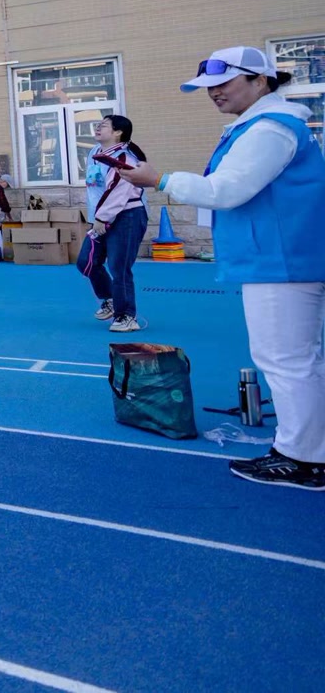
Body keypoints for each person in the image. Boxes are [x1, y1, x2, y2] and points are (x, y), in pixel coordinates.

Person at [121, 47, 325, 490]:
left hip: (282, 260)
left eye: (223, 83)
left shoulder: (270, 128)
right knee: (295, 359)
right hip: (284, 257)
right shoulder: (265, 125)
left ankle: (305, 457)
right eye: (208, 87)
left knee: (287, 360)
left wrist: (160, 180)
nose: (214, 93)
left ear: (260, 81)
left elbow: (226, 190)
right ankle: (307, 450)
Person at [84, 115, 148, 332]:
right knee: (87, 261)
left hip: (127, 215)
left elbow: (120, 191)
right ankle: (110, 299)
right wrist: (95, 217)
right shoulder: (95, 153)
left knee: (119, 267)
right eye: (98, 125)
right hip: (100, 216)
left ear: (118, 132)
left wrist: (102, 218)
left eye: (103, 125)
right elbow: (95, 190)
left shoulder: (125, 157)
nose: (97, 128)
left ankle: (127, 316)